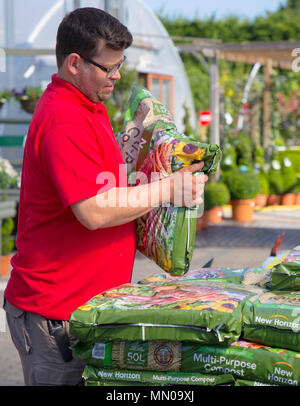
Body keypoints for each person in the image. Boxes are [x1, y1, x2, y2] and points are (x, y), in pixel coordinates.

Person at [3, 7, 207, 386]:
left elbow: (107, 184)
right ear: (75, 62)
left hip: (83, 306)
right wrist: (169, 189)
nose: (116, 76)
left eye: (120, 66)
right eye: (108, 67)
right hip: (56, 316)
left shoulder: (88, 106)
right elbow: (94, 211)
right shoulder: (63, 118)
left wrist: (142, 147)